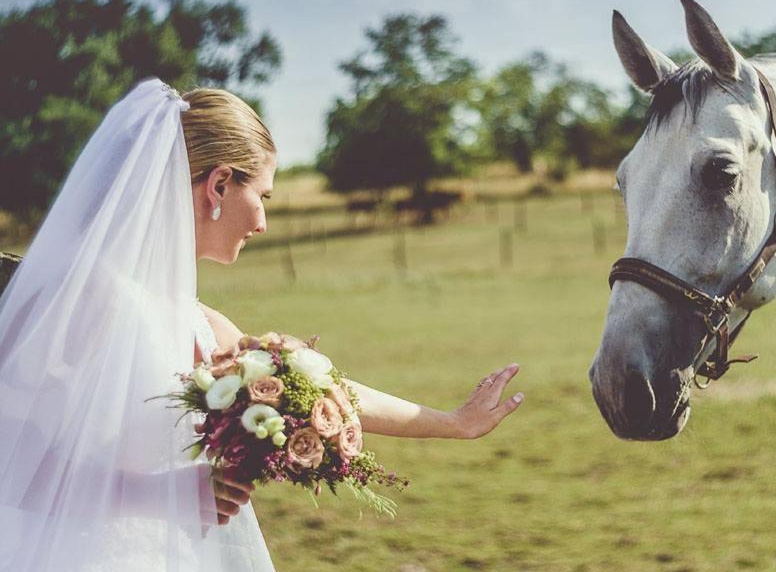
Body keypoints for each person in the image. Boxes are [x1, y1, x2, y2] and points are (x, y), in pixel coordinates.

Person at [0, 79, 523, 571]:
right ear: (220, 184)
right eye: (264, 197)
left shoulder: (194, 319)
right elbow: (14, 466)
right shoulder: (87, 296)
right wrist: (162, 494)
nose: (262, 223)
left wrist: (454, 423)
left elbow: (325, 390)